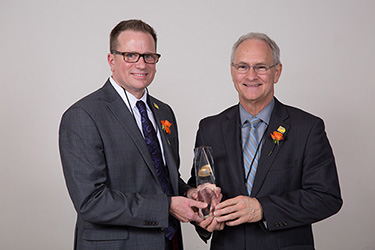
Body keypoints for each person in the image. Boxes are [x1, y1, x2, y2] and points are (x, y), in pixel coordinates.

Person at [59, 19, 206, 250]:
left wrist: (191, 192)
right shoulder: (84, 115)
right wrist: (166, 206)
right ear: (112, 60)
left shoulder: (163, 111)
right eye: (130, 55)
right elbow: (91, 202)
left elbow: (163, 179)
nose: (141, 64)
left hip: (169, 243)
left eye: (149, 56)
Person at [187, 32, 343, 250]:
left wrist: (262, 209)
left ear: (277, 72)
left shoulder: (307, 128)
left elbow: (326, 197)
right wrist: (203, 217)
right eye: (242, 66)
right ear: (232, 72)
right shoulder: (209, 128)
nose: (251, 76)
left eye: (261, 67)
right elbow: (200, 185)